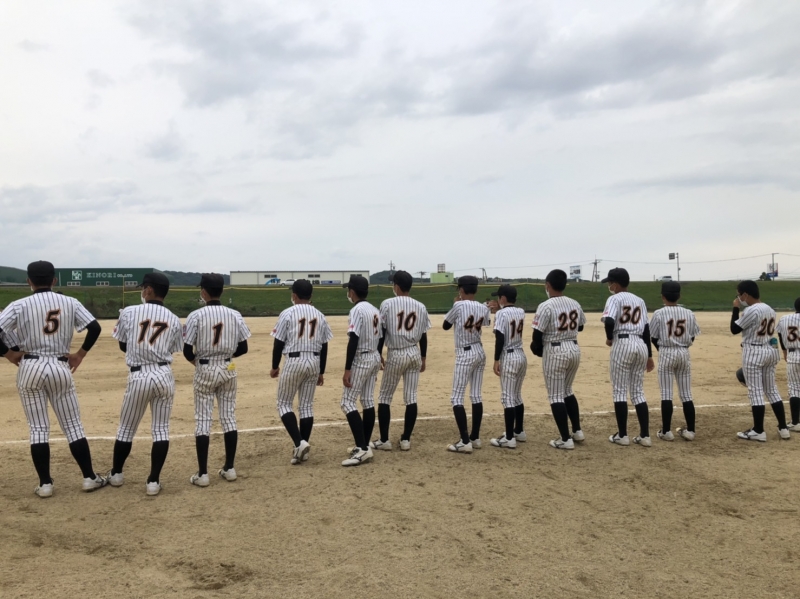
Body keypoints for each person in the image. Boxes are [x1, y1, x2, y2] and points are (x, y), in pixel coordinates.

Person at [0, 260, 107, 498]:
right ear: (54, 280)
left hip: (30, 366)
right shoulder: (70, 302)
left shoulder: (19, 305)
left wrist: (8, 354)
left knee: (38, 428)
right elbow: (95, 328)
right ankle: (89, 477)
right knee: (73, 425)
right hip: (60, 366)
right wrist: (79, 355)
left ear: (29, 281)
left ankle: (45, 484)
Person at [108, 272, 183, 496]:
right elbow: (172, 348)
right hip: (164, 373)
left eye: (143, 288)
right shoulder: (174, 318)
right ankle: (153, 481)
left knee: (126, 428)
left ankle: (117, 474)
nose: (142, 291)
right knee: (160, 429)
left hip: (139, 374)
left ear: (149, 290)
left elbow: (123, 345)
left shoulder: (129, 312)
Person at [183, 273, 251, 486]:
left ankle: (203, 474)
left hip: (204, 366)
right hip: (228, 367)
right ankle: (229, 468)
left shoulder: (195, 316)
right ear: (221, 291)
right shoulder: (235, 315)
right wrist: (226, 358)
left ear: (204, 292)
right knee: (228, 417)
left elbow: (187, 351)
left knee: (203, 420)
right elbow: (244, 347)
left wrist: (198, 363)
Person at [270, 279, 332, 464]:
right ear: (311, 295)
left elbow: (278, 342)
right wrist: (321, 371)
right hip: (314, 361)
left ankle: (299, 443)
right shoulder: (320, 315)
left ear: (294, 295)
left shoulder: (288, 313)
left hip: (294, 360)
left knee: (283, 404)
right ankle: (301, 451)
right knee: (306, 406)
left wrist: (274, 366)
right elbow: (325, 346)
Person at [372, 270, 431, 452]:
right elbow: (423, 335)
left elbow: (382, 332)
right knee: (411, 397)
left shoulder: (387, 304)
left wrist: (378, 353)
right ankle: (406, 439)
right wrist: (423, 357)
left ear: (396, 286)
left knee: (385, 397)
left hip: (396, 353)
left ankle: (384, 440)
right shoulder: (420, 306)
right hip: (414, 352)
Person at [530, 269, 586, 450]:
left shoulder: (546, 305)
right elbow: (581, 326)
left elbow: (537, 334)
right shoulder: (574, 303)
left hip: (555, 349)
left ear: (548, 285)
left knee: (555, 395)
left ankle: (565, 439)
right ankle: (577, 431)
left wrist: (537, 349)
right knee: (567, 390)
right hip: (573, 347)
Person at [601, 268, 655, 447]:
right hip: (640, 344)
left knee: (619, 391)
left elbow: (609, 321)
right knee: (638, 391)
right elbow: (646, 329)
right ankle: (645, 435)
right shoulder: (639, 300)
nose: (609, 286)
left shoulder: (614, 299)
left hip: (623, 343)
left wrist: (609, 337)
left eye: (610, 283)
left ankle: (622, 435)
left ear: (616, 284)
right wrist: (649, 355)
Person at [731, 280, 789, 441]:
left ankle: (758, 430)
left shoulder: (751, 309)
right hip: (770, 349)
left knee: (755, 391)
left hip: (754, 351)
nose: (738, 298)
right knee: (771, 390)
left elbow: (734, 329)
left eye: (739, 295)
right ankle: (783, 428)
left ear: (745, 294)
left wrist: (735, 308)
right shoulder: (770, 309)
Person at [443, 275, 492, 454]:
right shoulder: (483, 307)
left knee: (457, 398)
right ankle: (475, 437)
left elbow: (445, 325)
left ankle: (465, 441)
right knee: (476, 395)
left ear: (461, 290)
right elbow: (486, 322)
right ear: (476, 290)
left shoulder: (458, 305)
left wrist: (456, 303)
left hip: (465, 353)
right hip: (479, 351)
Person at [649, 281, 701, 441]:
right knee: (686, 394)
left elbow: (653, 337)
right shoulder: (689, 313)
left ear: (663, 296)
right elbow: (693, 335)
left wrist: (661, 349)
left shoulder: (659, 313)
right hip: (684, 352)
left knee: (666, 393)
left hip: (666, 351)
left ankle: (666, 431)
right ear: (679, 296)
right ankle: (691, 431)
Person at [340, 275, 380, 466]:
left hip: (362, 358)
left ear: (352, 292)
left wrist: (347, 368)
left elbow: (353, 339)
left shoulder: (356, 310)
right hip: (374, 356)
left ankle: (362, 448)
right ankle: (364, 445)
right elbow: (381, 336)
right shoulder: (374, 309)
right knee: (367, 400)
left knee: (347, 402)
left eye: (349, 290)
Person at [488, 284, 527, 449]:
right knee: (516, 395)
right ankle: (519, 431)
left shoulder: (501, 314)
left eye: (498, 297)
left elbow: (500, 338)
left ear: (502, 298)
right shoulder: (521, 311)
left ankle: (509, 438)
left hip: (509, 356)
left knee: (507, 398)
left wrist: (496, 359)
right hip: (521, 354)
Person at [777, 297, 800, 432]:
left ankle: (796, 422)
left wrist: (784, 351)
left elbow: (780, 335)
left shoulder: (785, 319)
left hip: (793, 355)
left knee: (795, 388)